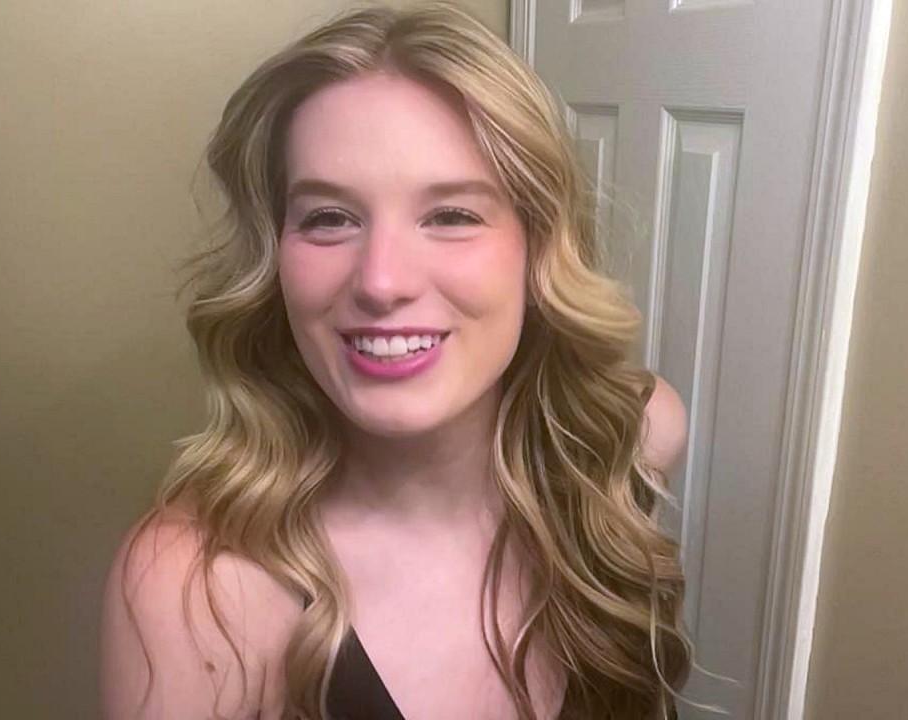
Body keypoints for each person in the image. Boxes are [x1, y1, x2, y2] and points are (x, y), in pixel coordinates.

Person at [100, 3, 692, 718]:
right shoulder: (198, 590)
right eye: (329, 218)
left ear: (537, 248)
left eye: (451, 215)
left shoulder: (630, 439)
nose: (381, 282)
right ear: (275, 260)